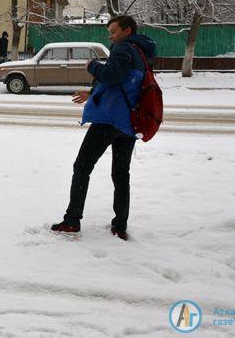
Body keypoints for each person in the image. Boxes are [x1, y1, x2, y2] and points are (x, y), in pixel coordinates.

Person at [50, 15, 156, 240]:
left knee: (82, 167)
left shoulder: (123, 48)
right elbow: (123, 83)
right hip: (128, 122)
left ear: (127, 31)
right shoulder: (140, 52)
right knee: (121, 174)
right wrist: (92, 93)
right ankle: (120, 225)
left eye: (114, 31)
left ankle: (72, 221)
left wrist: (92, 65)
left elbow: (111, 75)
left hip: (109, 119)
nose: (111, 36)